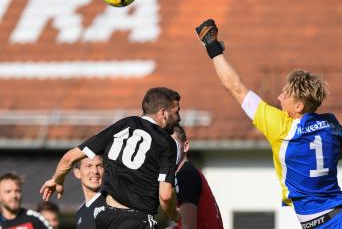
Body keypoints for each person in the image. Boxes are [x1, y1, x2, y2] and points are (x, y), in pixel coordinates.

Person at [195, 19, 342, 229]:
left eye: (285, 94)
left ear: (299, 106)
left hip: (327, 223)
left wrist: (213, 48)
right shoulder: (329, 123)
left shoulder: (282, 127)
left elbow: (235, 88)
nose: (278, 97)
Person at [40, 87, 181, 229]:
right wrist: (174, 215)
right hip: (137, 221)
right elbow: (165, 195)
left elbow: (69, 158)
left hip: (106, 218)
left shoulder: (124, 124)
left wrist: (56, 180)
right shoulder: (167, 143)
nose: (179, 118)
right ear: (163, 113)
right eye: (176, 112)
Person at [171, 125, 223, 229]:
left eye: (172, 145)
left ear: (185, 146)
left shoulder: (185, 175)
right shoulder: (190, 172)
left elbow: (189, 227)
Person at [73, 155, 105, 229]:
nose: (95, 171)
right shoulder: (80, 212)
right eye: (88, 166)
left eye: (99, 166)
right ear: (77, 173)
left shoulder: (112, 203)